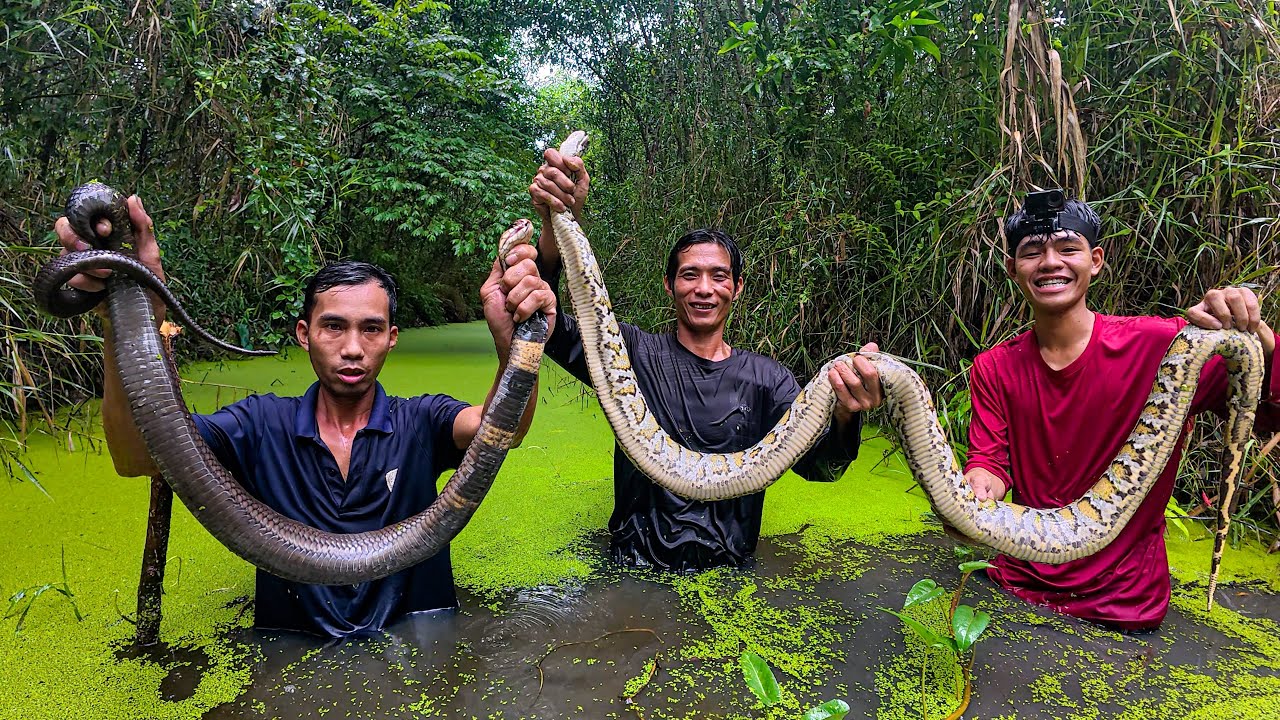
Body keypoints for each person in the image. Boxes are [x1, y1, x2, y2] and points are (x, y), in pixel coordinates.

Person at [54, 195, 556, 637]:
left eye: (372, 329)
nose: (353, 348)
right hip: (286, 655)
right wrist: (127, 316)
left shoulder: (419, 421)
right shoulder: (259, 425)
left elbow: (502, 432)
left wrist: (512, 343)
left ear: (392, 338)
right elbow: (138, 455)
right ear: (303, 333)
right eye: (333, 327)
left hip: (419, 647)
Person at [524, 149, 884, 573]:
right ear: (669, 285)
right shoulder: (632, 354)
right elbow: (540, 323)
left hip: (729, 576)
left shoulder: (768, 380)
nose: (704, 289)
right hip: (635, 573)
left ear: (738, 287)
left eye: (718, 276)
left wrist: (845, 413)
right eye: (690, 274)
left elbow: (824, 467)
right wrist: (557, 221)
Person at [963, 194, 1280, 630]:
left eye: (1067, 248)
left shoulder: (1165, 346)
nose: (1050, 262)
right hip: (1017, 587)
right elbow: (988, 462)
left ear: (1095, 261)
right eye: (1032, 252)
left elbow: (1269, 407)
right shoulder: (993, 367)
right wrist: (973, 492)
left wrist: (1259, 338)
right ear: (1013, 268)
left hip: (1126, 606)